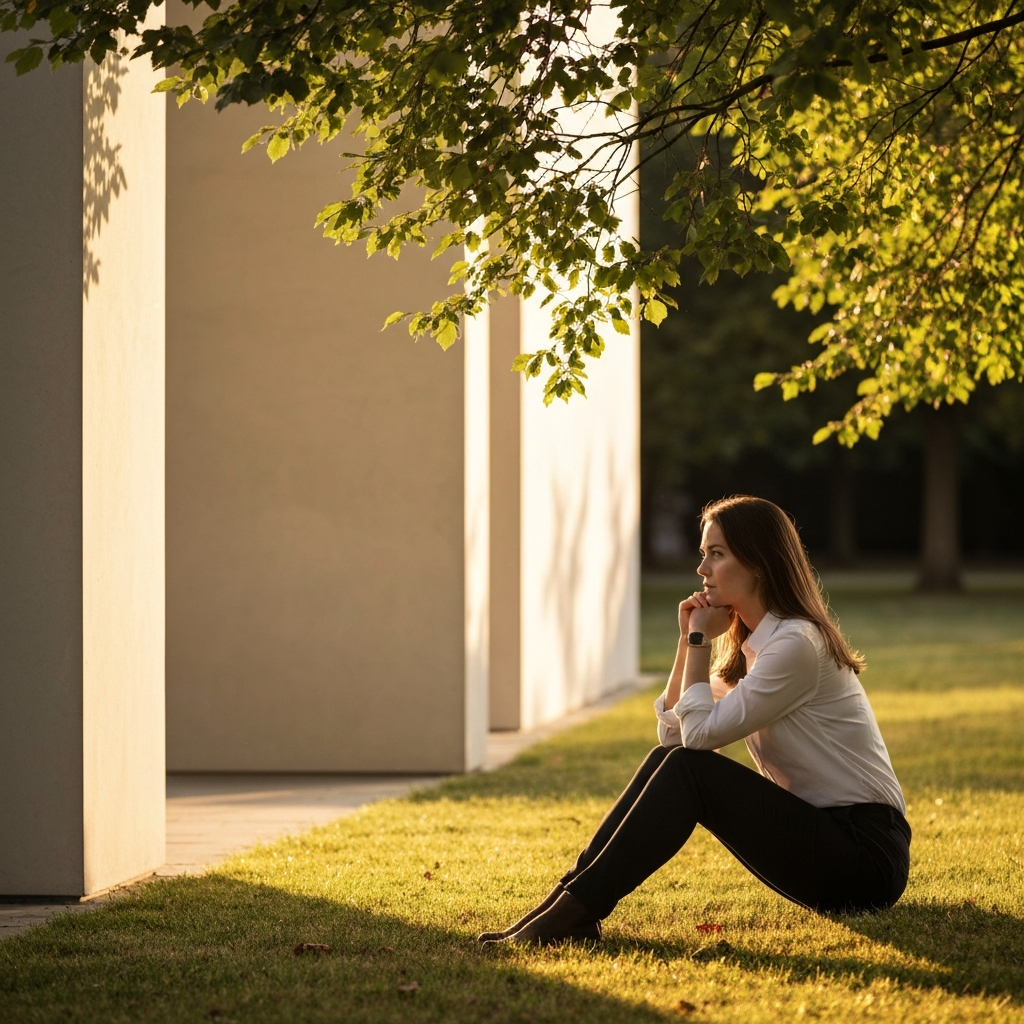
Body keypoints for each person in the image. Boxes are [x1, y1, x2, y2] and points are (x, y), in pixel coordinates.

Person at [479, 495, 911, 946]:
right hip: (824, 838)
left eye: (716, 554)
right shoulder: (757, 647)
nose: (702, 569)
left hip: (865, 855)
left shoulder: (796, 645)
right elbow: (672, 736)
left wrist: (702, 638)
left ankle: (569, 915)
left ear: (759, 562)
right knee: (670, 761)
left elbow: (698, 742)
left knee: (689, 769)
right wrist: (689, 642)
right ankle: (565, 910)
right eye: (703, 553)